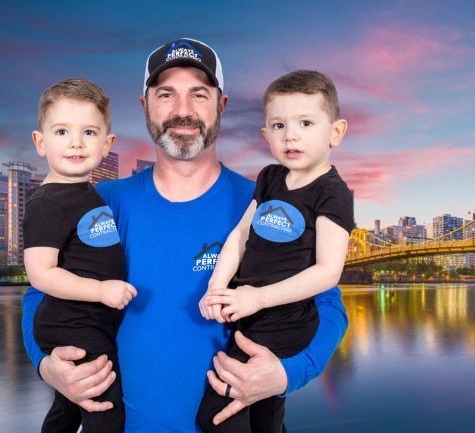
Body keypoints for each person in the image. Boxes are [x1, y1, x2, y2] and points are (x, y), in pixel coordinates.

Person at [21, 38, 348, 432]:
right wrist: (47, 365)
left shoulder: (264, 203)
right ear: (145, 106)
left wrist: (287, 373)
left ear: (220, 105)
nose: (182, 110)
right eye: (165, 94)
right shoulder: (98, 202)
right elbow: (41, 290)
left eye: (198, 93)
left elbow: (326, 302)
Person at [196, 70, 353, 432]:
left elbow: (329, 271)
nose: (291, 134)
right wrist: (216, 288)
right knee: (264, 418)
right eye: (278, 125)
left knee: (217, 416)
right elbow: (239, 237)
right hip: (253, 313)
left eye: (306, 122)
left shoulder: (333, 194)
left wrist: (258, 299)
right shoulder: (269, 178)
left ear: (336, 133)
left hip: (285, 320)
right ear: (266, 134)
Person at [25, 79, 134, 433]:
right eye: (61, 131)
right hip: (71, 323)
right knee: (105, 408)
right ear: (40, 143)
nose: (75, 142)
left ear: (107, 144)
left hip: (90, 322)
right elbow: (41, 273)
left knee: (70, 406)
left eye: (88, 132)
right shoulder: (48, 202)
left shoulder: (87, 193)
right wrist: (101, 291)